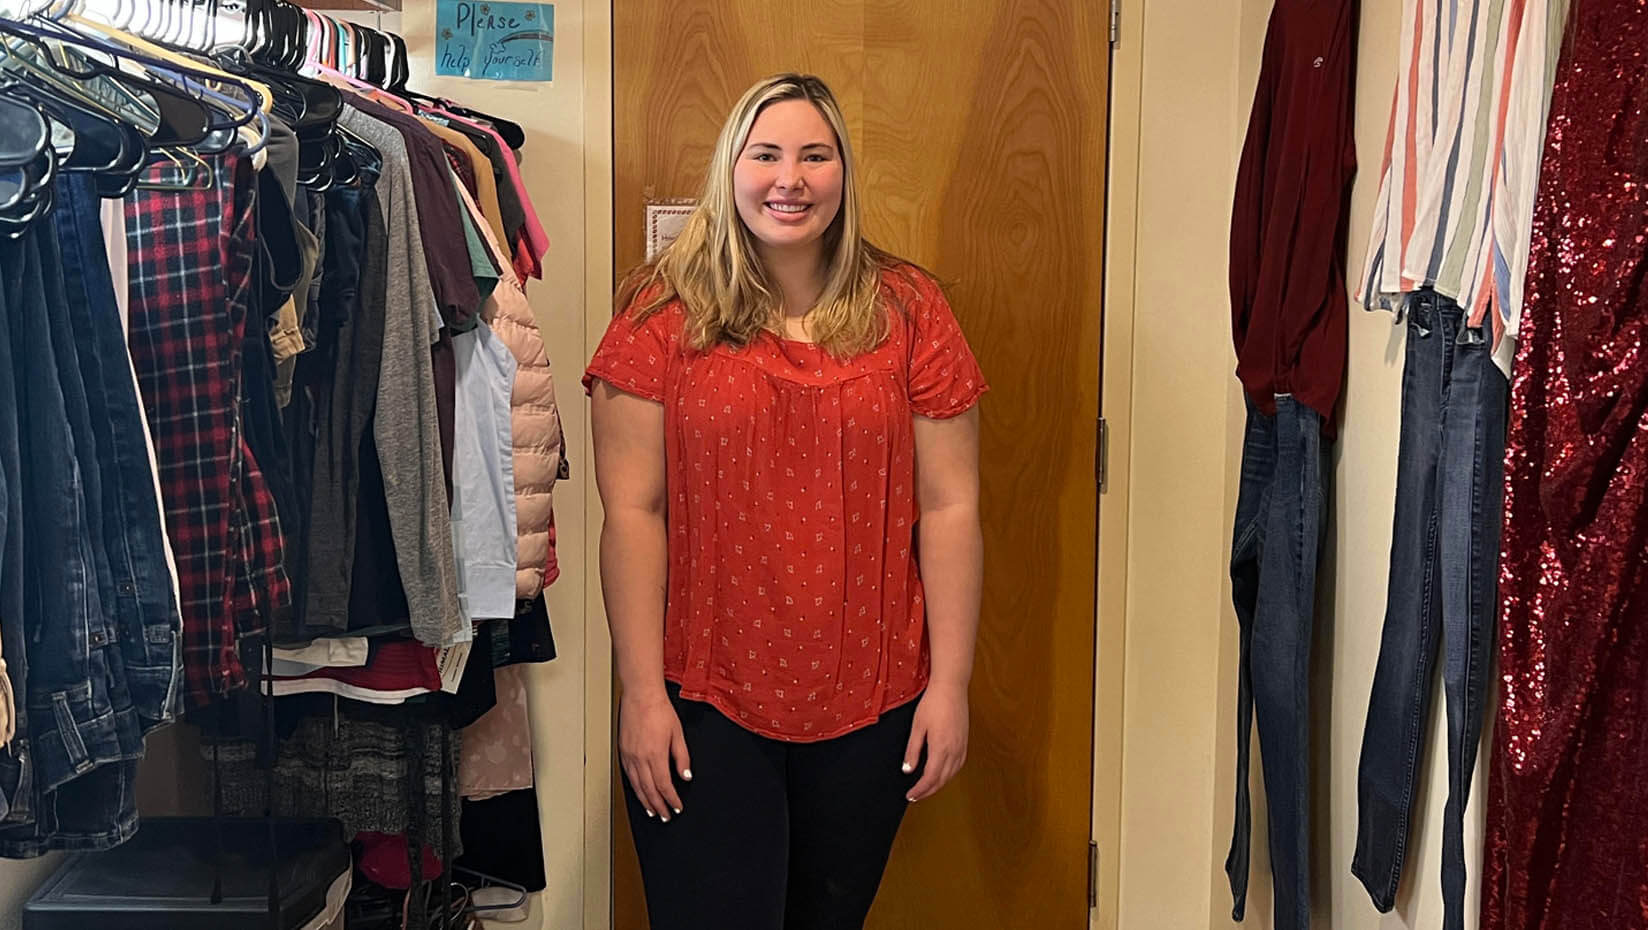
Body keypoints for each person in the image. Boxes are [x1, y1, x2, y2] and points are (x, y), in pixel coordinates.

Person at [584, 72, 987, 930]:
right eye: (765, 154)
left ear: (844, 171)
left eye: (815, 155)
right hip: (700, 700)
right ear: (731, 168)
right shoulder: (659, 312)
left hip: (872, 701)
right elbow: (631, 515)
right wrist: (641, 695)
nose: (789, 179)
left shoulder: (911, 310)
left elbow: (952, 506)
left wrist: (949, 686)